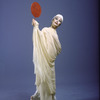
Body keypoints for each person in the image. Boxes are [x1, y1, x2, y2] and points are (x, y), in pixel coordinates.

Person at [31, 14, 63, 100]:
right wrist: (36, 26)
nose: (57, 21)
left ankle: (39, 97)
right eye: (56, 19)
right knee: (44, 78)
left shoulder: (55, 34)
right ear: (52, 20)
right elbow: (39, 38)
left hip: (51, 61)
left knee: (50, 80)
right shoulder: (46, 30)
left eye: (60, 21)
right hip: (44, 59)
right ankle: (38, 96)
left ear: (60, 24)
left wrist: (53, 54)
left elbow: (58, 48)